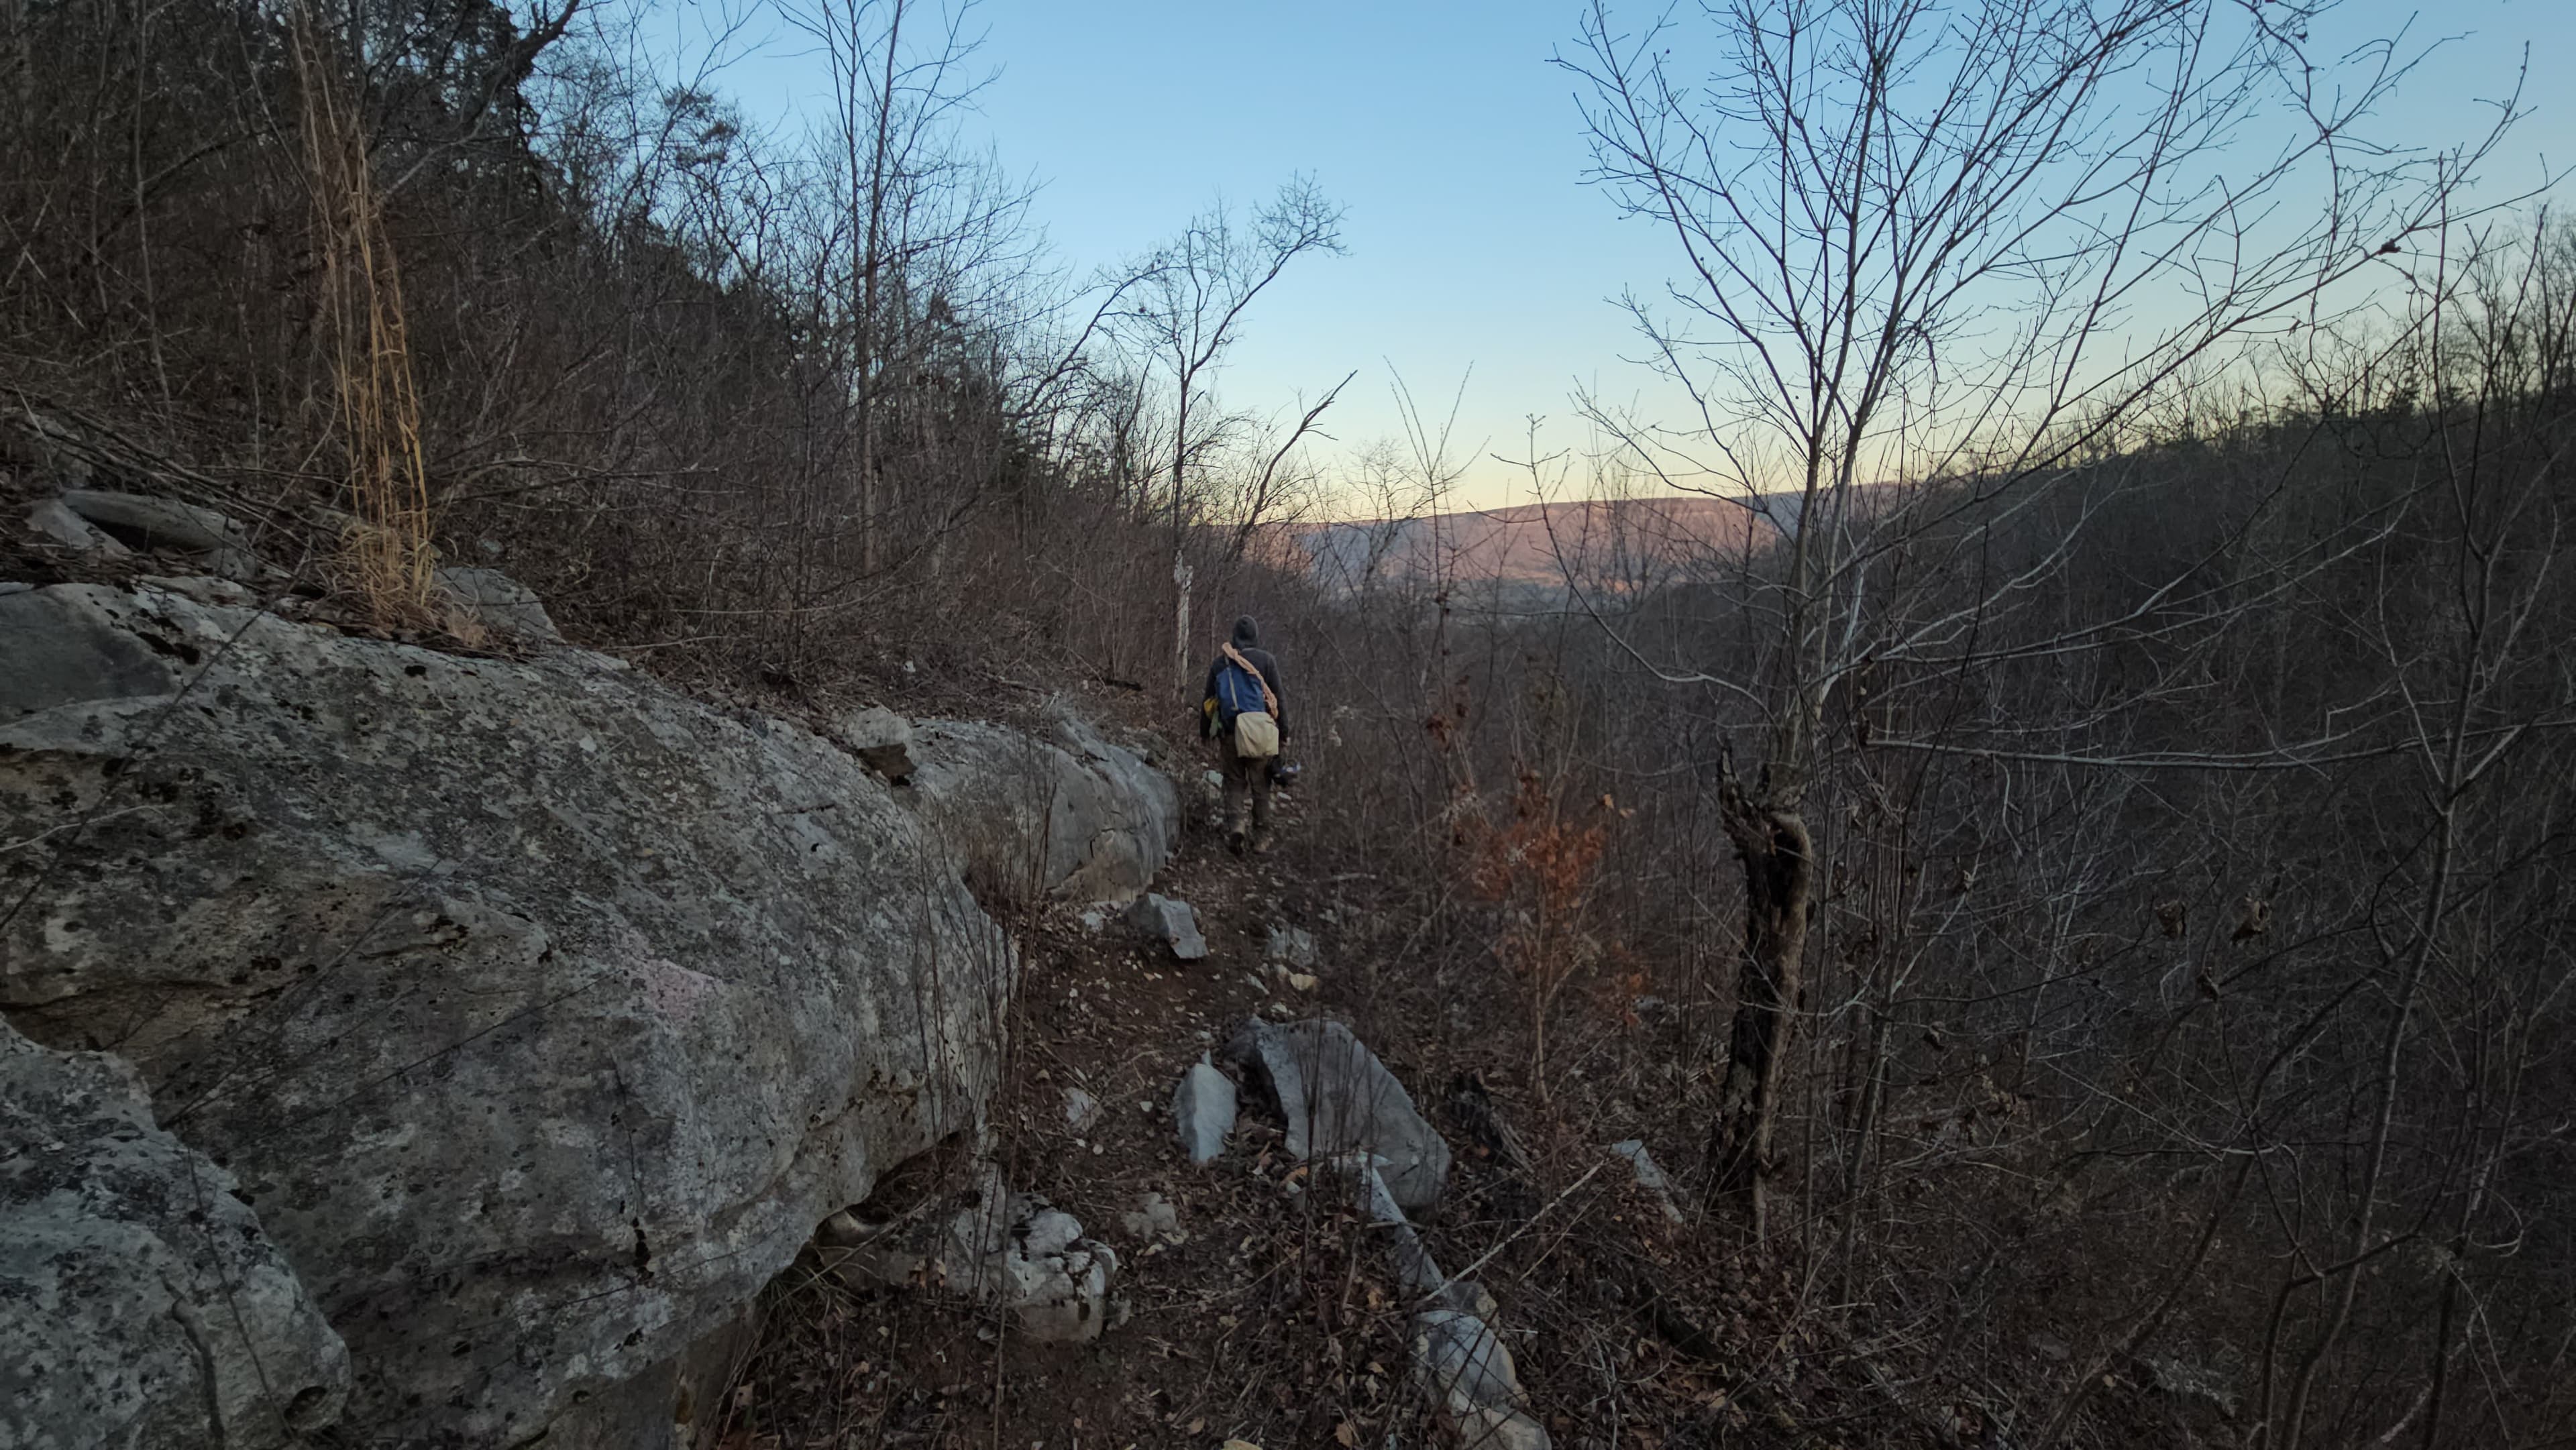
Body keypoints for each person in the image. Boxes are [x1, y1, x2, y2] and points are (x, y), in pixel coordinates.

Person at [1200, 615, 1288, 854]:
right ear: (1256, 637)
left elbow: (1209, 701)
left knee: (1234, 783)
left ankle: (1236, 826)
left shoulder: (1221, 664)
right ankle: (1261, 838)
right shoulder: (1267, 661)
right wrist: (1284, 734)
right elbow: (1278, 700)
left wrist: (1205, 732)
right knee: (1261, 787)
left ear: (1234, 637)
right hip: (1261, 734)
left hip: (1231, 733)